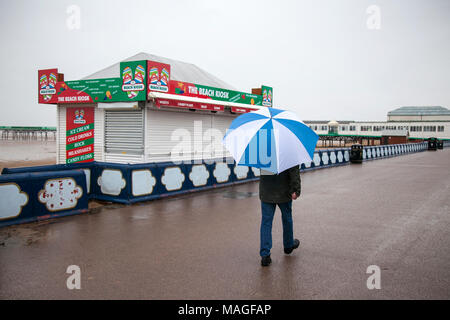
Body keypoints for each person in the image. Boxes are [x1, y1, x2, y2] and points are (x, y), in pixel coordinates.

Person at [259, 165, 301, 266]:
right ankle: (288, 246)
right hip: (284, 191)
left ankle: (265, 255)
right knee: (287, 219)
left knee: (266, 222)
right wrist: (296, 190)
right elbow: (293, 170)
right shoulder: (289, 149)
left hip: (266, 191)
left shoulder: (262, 149)